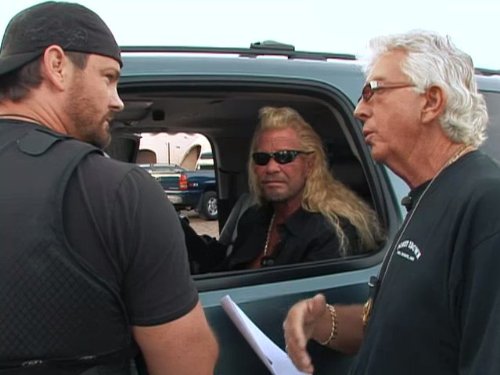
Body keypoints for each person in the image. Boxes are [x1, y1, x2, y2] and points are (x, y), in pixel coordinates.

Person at [0, 2, 218, 375]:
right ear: (57, 66)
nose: (117, 100)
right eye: (108, 77)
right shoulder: (121, 193)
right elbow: (189, 366)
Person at [283, 30, 500, 374]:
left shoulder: (486, 205)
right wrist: (324, 321)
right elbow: (405, 326)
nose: (359, 110)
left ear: (431, 101)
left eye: (373, 91)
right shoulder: (427, 196)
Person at [184, 106, 384, 272]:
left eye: (285, 156)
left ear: (310, 164)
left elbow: (311, 310)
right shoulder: (253, 219)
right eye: (262, 158)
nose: (271, 168)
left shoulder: (332, 232)